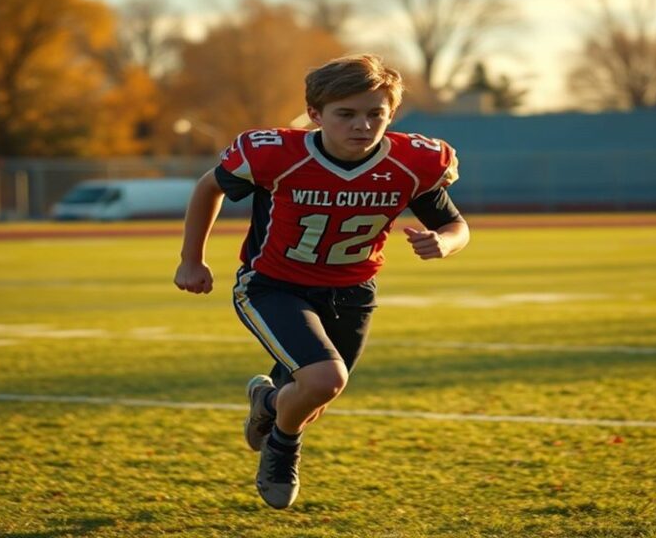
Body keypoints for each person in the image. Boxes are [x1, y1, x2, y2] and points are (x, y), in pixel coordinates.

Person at [173, 54, 470, 509]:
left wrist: (444, 243)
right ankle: (281, 449)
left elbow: (456, 225)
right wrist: (191, 260)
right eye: (346, 114)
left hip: (353, 291)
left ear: (391, 115)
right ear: (315, 114)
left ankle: (269, 405)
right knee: (326, 379)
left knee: (313, 397)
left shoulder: (412, 161)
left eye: (376, 114)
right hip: (273, 284)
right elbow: (207, 187)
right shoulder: (276, 153)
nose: (363, 126)